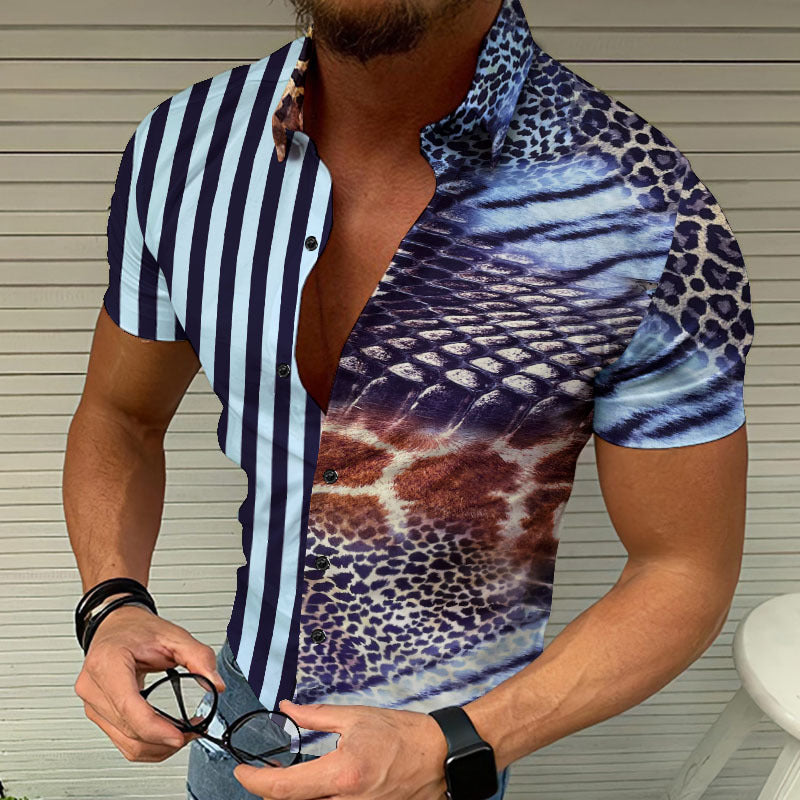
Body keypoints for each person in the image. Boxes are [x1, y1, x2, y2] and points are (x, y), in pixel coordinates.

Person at [62, 0, 755, 798]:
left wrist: (460, 747)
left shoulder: (647, 210)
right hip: (233, 719)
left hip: (448, 752)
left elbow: (683, 568)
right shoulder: (183, 146)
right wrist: (113, 604)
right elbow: (121, 415)